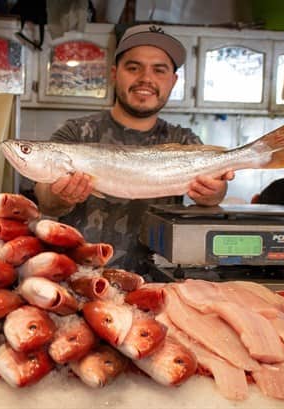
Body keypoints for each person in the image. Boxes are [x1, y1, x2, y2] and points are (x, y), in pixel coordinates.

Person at [34, 24, 234, 275]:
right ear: (115, 73)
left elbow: (215, 193)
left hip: (157, 281)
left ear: (173, 81)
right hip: (80, 278)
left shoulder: (184, 140)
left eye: (159, 70)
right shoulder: (77, 133)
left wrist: (213, 194)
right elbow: (44, 197)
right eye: (133, 67)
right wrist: (58, 198)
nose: (146, 79)